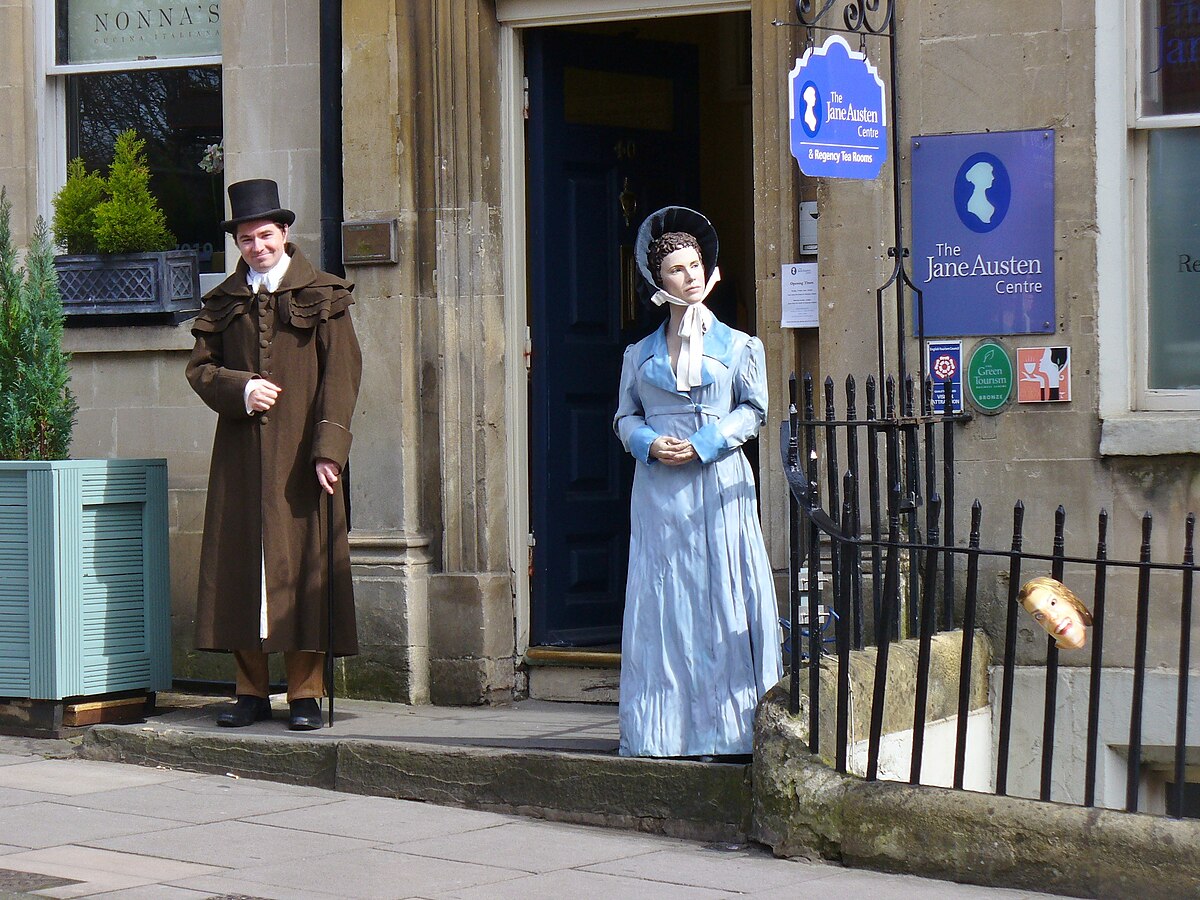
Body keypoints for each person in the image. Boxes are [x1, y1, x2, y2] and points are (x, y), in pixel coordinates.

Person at [187, 179, 362, 730]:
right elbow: (200, 370)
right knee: (242, 567)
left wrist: (329, 450)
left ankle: (306, 693)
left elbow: (343, 376)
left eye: (265, 235)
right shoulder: (223, 302)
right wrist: (240, 389)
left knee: (305, 567)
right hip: (240, 457)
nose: (256, 246)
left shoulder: (326, 294)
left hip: (302, 457)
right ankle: (250, 691)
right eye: (245, 238)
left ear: (284, 233)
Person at [613, 206, 783, 758]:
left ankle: (730, 731)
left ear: (710, 272)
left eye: (695, 265)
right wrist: (648, 443)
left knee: (723, 597)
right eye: (676, 269)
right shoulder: (638, 355)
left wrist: (706, 442)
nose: (689, 276)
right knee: (666, 604)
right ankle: (662, 733)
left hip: (718, 483)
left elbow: (754, 409)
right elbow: (624, 416)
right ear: (657, 280)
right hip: (661, 492)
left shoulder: (740, 347)